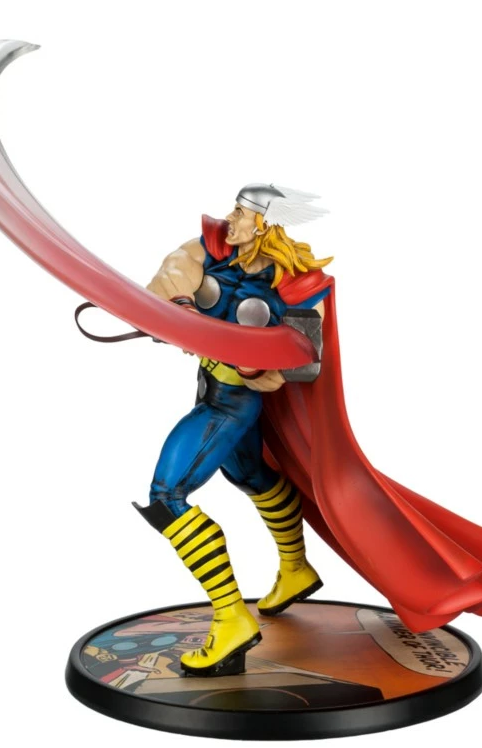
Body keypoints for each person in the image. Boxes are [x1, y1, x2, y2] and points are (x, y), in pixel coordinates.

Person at [134, 184, 333, 677]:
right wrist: (179, 311)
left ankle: (231, 619)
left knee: (166, 495)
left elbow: (305, 359)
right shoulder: (211, 250)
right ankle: (295, 569)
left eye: (242, 214)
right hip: (211, 388)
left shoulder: (296, 283)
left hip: (233, 401)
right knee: (249, 475)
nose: (231, 219)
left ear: (264, 225)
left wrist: (252, 360)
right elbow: (168, 279)